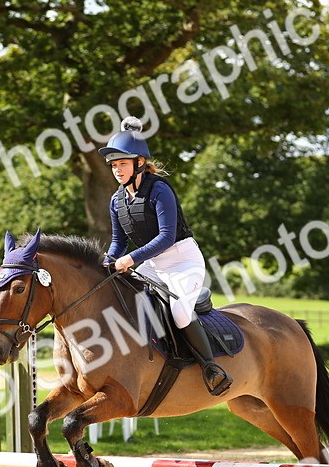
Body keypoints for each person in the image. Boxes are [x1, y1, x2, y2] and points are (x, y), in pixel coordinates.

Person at [99, 116, 232, 396]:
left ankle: (211, 368)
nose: (116, 170)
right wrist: (109, 260)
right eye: (113, 165)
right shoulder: (116, 200)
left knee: (180, 311)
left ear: (138, 163)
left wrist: (131, 259)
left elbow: (166, 237)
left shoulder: (159, 190)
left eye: (122, 163)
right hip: (152, 264)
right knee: (121, 294)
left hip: (183, 260)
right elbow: (118, 242)